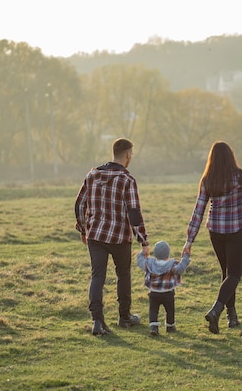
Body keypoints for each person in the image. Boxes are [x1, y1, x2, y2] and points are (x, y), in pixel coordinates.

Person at [75, 138, 150, 336]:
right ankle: (124, 317)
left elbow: (79, 204)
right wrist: (143, 240)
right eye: (131, 154)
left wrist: (84, 229)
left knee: (97, 276)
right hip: (119, 237)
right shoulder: (127, 180)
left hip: (96, 235)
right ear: (127, 155)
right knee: (123, 275)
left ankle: (97, 321)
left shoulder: (92, 174)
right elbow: (134, 212)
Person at [183, 141, 242, 334]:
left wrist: (189, 241)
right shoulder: (241, 176)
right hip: (235, 230)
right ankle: (216, 310)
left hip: (215, 231)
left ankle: (232, 317)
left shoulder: (208, 179)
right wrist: (241, 206)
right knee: (234, 274)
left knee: (226, 272)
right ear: (231, 156)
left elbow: (198, 211)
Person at [137, 240, 191, 336]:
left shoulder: (149, 263)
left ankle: (154, 327)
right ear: (168, 253)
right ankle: (170, 326)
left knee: (153, 310)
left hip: (153, 293)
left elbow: (140, 261)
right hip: (168, 293)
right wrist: (185, 257)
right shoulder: (172, 264)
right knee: (170, 310)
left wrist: (143, 252)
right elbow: (180, 268)